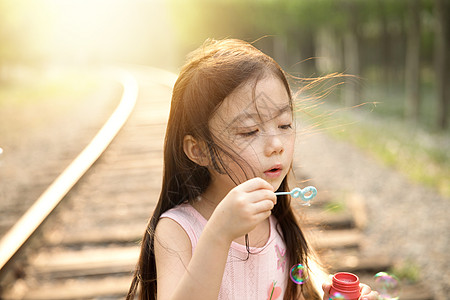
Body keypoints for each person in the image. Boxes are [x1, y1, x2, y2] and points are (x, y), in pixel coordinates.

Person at [127, 39, 379, 300]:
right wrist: (219, 234)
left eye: (284, 125)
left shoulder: (279, 224)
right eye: (249, 131)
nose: (276, 145)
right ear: (199, 150)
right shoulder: (178, 231)